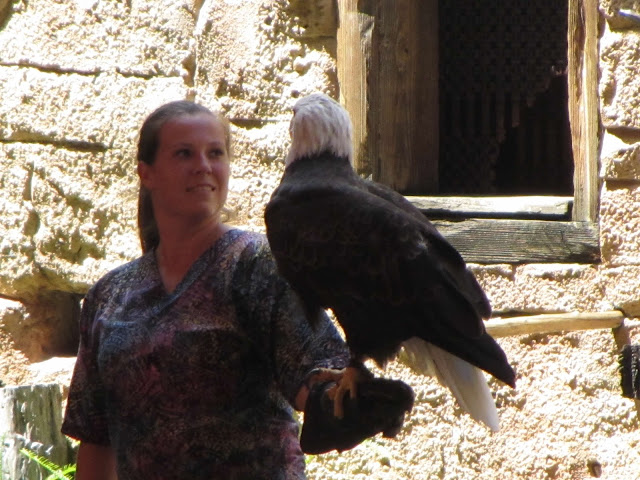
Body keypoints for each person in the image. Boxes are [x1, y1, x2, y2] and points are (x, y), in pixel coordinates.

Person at [61, 100, 352, 479]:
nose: (203, 165)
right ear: (145, 173)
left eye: (215, 153)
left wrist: (344, 400)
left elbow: (317, 374)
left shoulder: (257, 264)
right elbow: (96, 439)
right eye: (184, 153)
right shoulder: (110, 295)